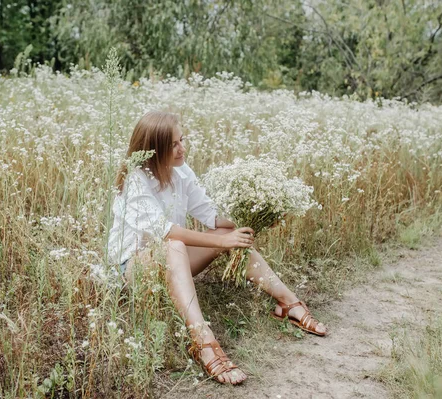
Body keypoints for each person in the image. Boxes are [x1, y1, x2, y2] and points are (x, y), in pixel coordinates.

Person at [107, 111, 326, 385]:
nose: (182, 148)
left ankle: (287, 303)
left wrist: (261, 214)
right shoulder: (135, 180)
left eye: (182, 140)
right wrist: (222, 242)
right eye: (174, 144)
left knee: (227, 232)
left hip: (173, 262)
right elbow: (167, 232)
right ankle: (202, 340)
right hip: (133, 270)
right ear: (154, 150)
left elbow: (210, 215)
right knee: (176, 244)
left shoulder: (180, 170)